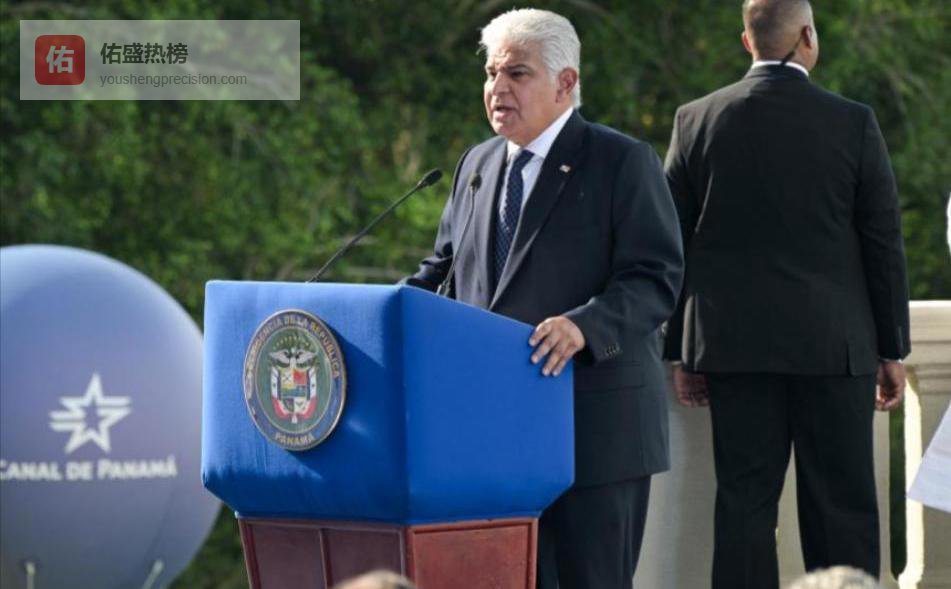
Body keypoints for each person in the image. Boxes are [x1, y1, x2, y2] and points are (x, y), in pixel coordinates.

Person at [405, 8, 683, 588]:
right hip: (495, 434)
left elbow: (656, 277)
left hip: (594, 434)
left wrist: (586, 325)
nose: (497, 88)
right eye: (490, 73)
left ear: (565, 83)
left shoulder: (620, 160)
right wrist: (384, 314)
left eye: (517, 73)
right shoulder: (476, 165)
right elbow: (444, 270)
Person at [663, 1, 910, 588]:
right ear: (807, 38)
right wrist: (891, 348)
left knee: (744, 507)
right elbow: (882, 242)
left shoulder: (696, 119)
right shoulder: (852, 121)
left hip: (733, 351)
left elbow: (671, 243)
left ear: (746, 41)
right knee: (841, 510)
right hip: (835, 350)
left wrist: (681, 349)